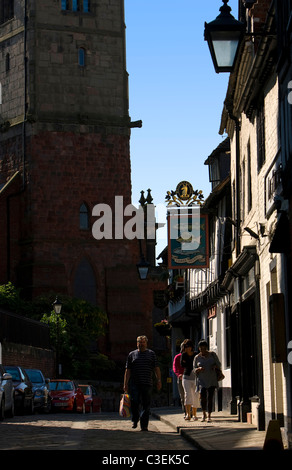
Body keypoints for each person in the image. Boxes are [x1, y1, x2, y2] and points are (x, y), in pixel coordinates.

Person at [123, 335, 162, 431]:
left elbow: (156, 368)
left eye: (143, 342)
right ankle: (135, 419)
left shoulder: (151, 354)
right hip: (135, 383)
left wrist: (159, 381)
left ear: (146, 343)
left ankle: (144, 425)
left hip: (147, 383)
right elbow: (128, 370)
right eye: (139, 342)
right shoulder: (132, 354)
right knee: (134, 402)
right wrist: (125, 384)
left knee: (146, 405)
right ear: (137, 344)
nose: (141, 344)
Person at [194, 339, 222, 423]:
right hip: (202, 380)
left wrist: (215, 366)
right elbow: (194, 369)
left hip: (212, 379)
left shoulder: (212, 355)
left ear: (206, 348)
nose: (203, 350)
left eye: (204, 348)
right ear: (199, 348)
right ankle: (203, 413)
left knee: (210, 397)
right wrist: (198, 369)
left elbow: (219, 364)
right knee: (203, 398)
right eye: (201, 348)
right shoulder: (197, 357)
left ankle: (209, 415)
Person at [180, 339, 200, 421]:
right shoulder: (183, 355)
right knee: (187, 395)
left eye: (189, 346)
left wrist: (188, 363)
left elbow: (196, 364)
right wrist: (189, 363)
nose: (188, 348)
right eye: (186, 347)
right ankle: (188, 414)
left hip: (195, 377)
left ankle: (194, 414)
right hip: (186, 377)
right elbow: (182, 364)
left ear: (192, 347)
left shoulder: (196, 354)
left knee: (196, 395)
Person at [172, 342, 185, 416]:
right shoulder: (178, 357)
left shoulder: (191, 356)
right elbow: (175, 367)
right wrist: (178, 374)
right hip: (181, 378)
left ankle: (192, 412)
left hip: (190, 378)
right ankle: (186, 411)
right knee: (183, 396)